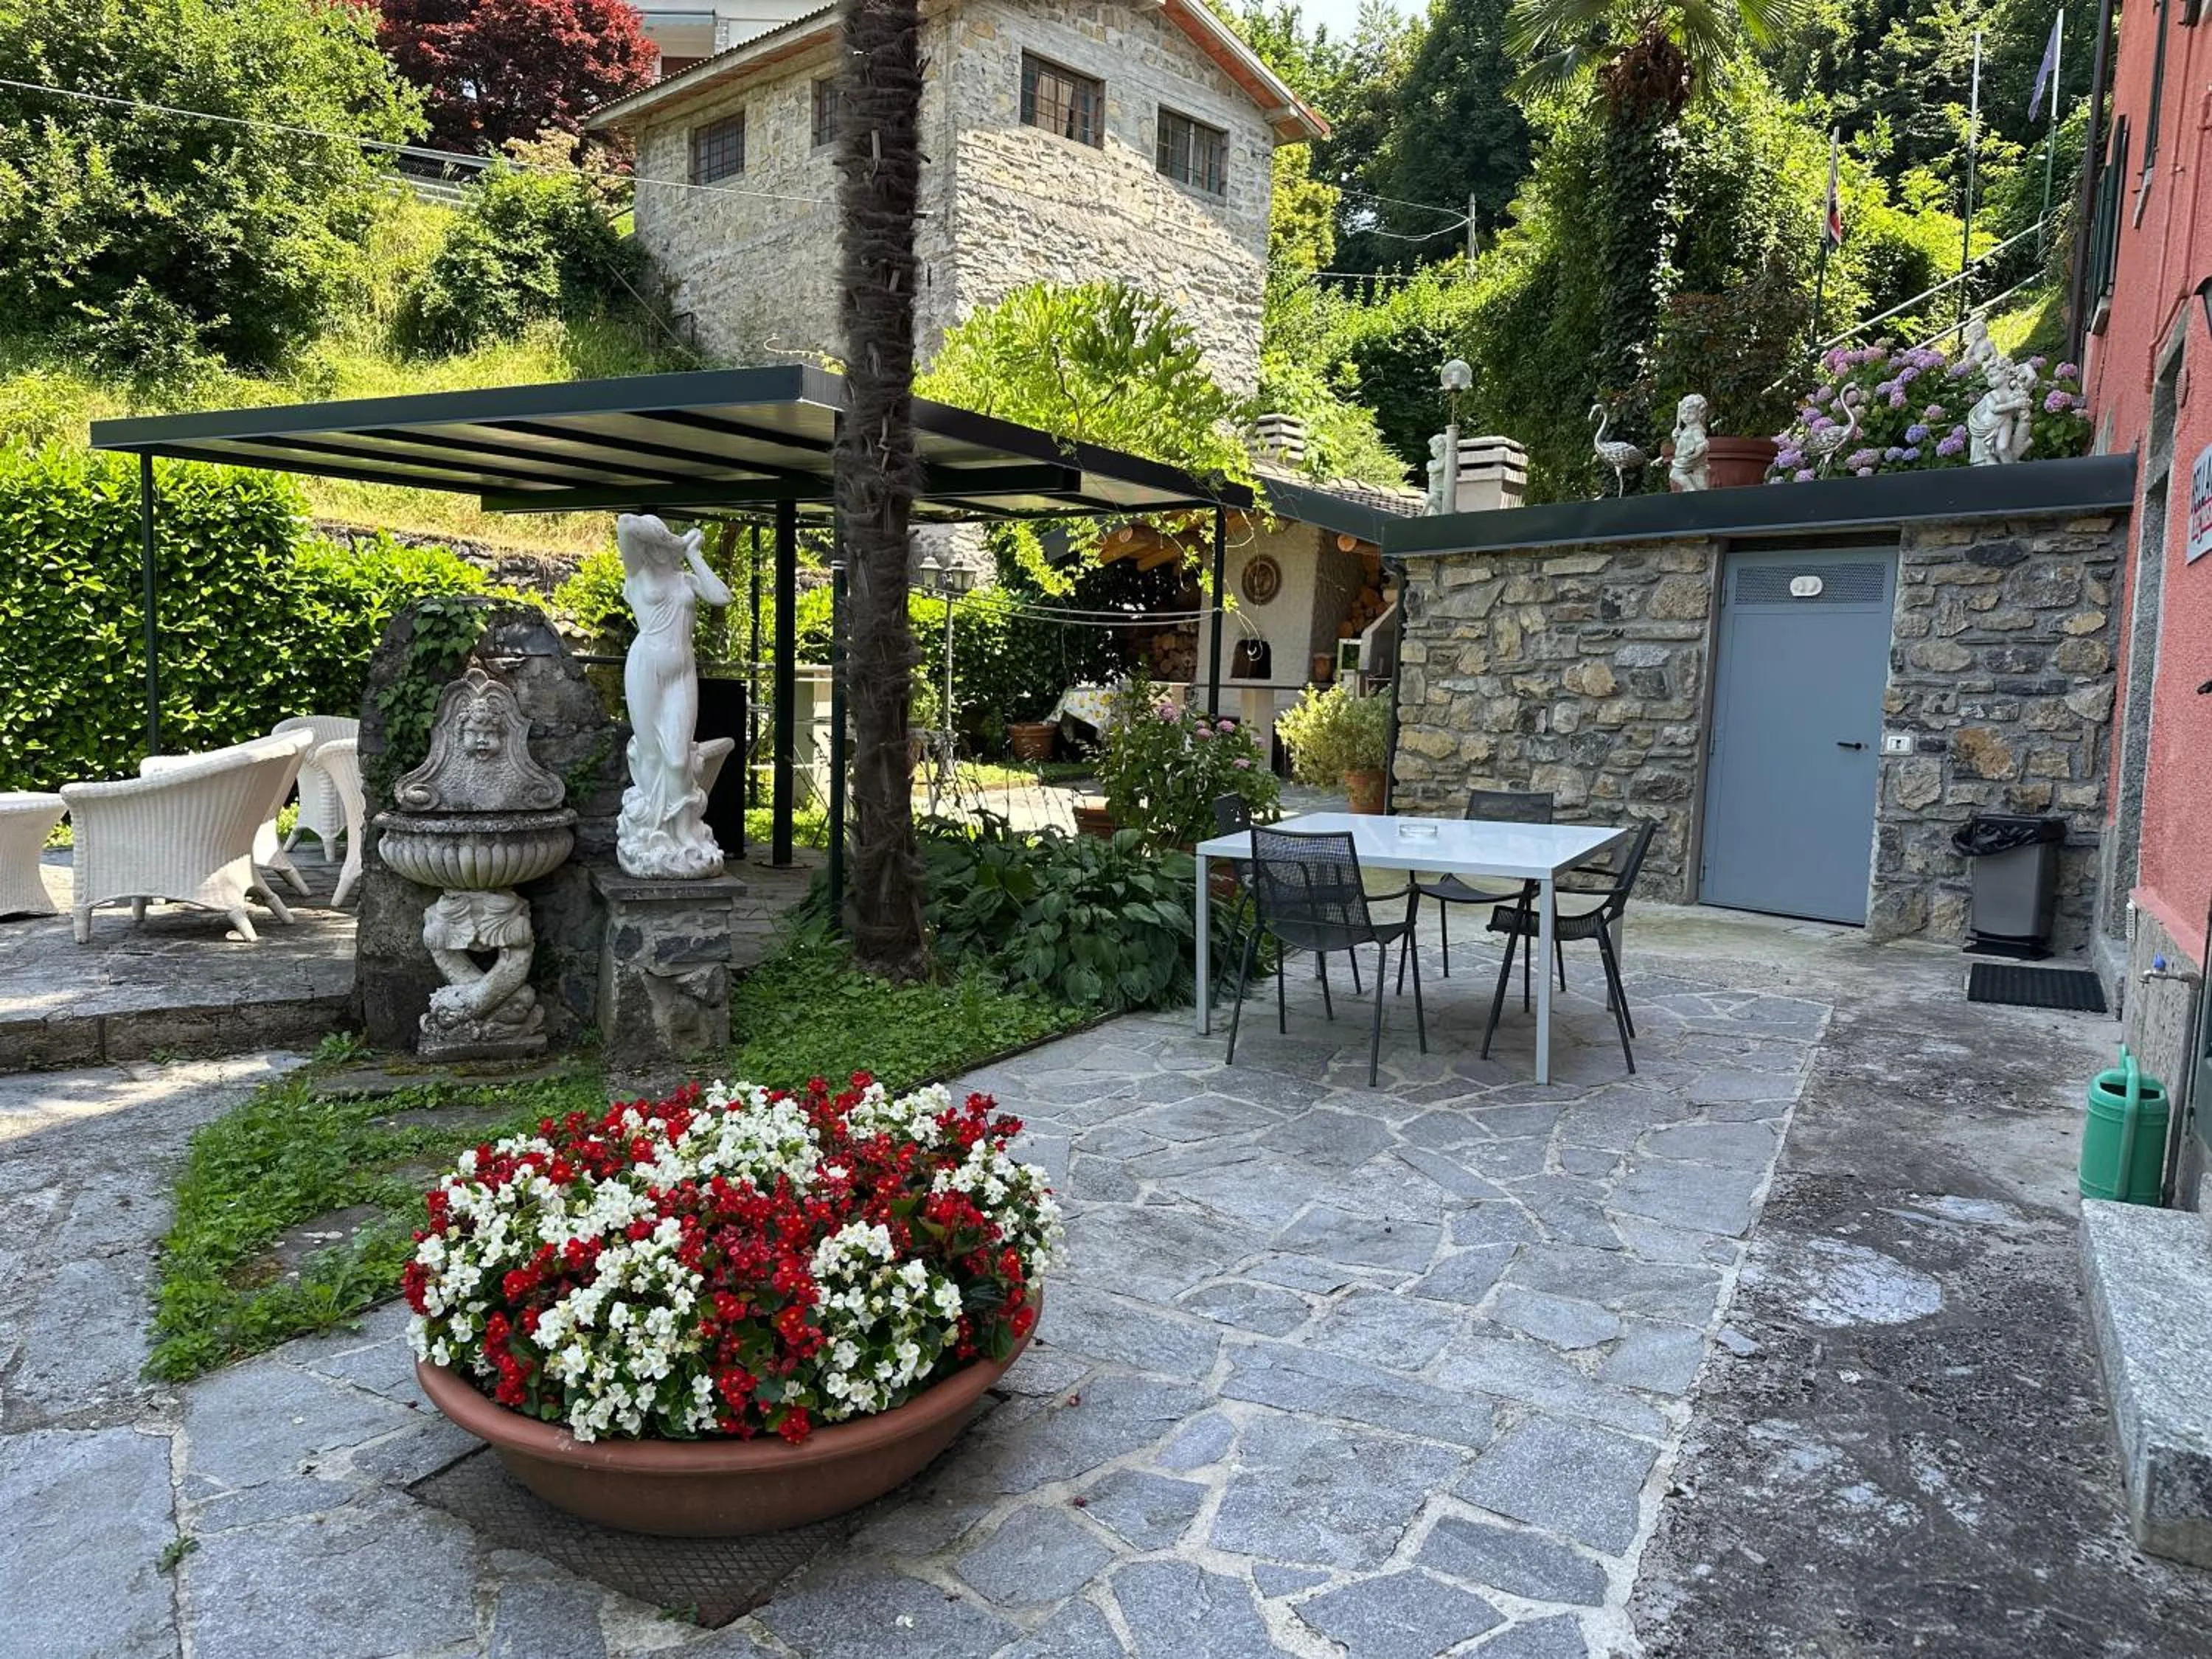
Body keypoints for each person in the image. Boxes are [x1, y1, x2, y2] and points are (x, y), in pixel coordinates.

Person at [614, 513, 734, 879]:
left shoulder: (686, 579)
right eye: (655, 545)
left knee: (679, 760)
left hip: (682, 671)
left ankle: (683, 834)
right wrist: (675, 539)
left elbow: (722, 597)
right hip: (646, 667)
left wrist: (693, 555)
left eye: (663, 545)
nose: (660, 551)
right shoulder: (638, 575)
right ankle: (653, 836)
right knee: (652, 756)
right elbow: (626, 524)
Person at [1668, 394, 1711, 492]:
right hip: (1691, 459)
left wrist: (1695, 454)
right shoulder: (1687, 429)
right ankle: (1696, 490)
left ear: (1700, 414)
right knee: (1700, 480)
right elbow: (1681, 445)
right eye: (1683, 412)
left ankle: (1690, 488)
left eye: (1690, 413)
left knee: (1675, 474)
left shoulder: (1696, 430)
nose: (1686, 416)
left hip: (1690, 459)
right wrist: (1675, 437)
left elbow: (1702, 444)